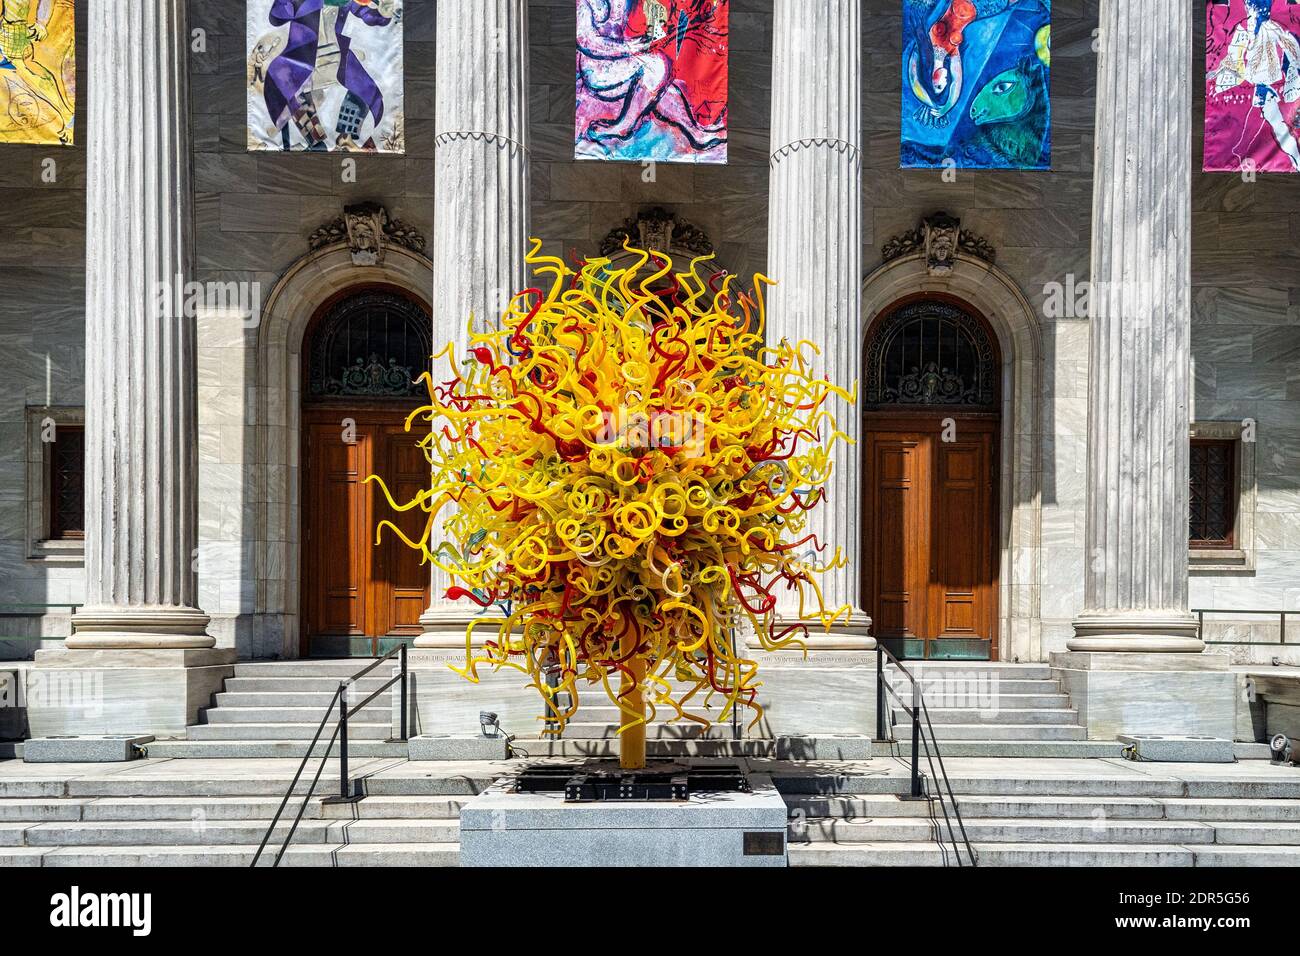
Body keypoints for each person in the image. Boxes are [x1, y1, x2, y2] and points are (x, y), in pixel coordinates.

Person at [1212, 0, 1300, 171]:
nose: (1250, 20)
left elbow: (1290, 45)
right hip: (1261, 87)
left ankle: (1295, 158)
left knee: (1277, 125)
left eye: (1253, 16)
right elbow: (1235, 59)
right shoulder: (1245, 32)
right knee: (1270, 126)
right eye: (1249, 15)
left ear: (1262, 15)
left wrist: (1295, 69)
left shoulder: (1270, 29)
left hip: (1271, 86)